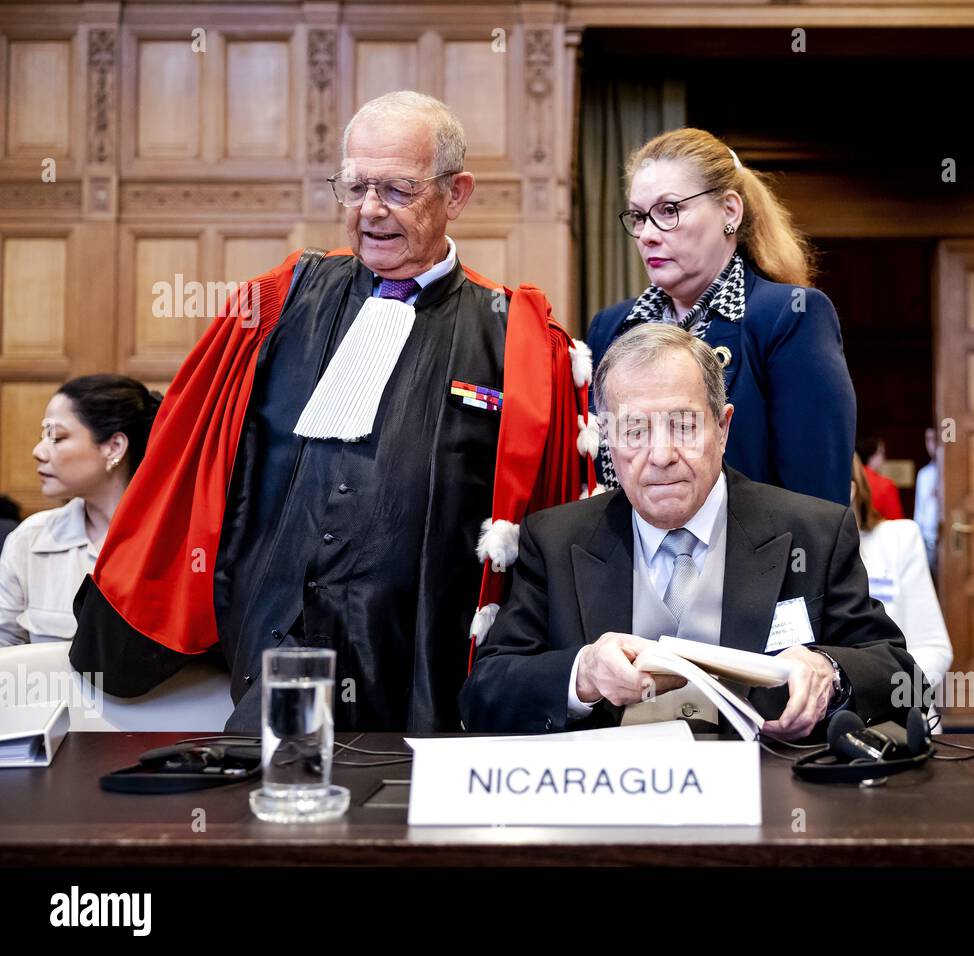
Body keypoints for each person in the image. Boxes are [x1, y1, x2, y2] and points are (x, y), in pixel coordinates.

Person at [70, 91, 590, 733]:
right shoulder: (278, 305)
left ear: (456, 194)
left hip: (428, 676)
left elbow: (547, 524)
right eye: (355, 186)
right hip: (276, 664)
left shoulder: (518, 339)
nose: (370, 211)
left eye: (398, 190)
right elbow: (193, 463)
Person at [460, 324, 920, 740]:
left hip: (767, 805)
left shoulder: (812, 532)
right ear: (606, 438)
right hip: (611, 807)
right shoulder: (556, 539)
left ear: (722, 428)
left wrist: (830, 671)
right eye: (634, 429)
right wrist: (583, 675)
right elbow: (486, 692)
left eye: (683, 426)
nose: (660, 455)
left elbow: (902, 678)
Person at [585, 128, 856, 506]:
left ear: (730, 211)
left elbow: (817, 505)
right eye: (638, 217)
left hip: (749, 561)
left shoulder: (790, 316)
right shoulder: (610, 328)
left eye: (668, 210)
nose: (646, 234)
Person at [0, 376, 160, 645]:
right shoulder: (29, 540)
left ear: (114, 447)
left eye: (56, 437)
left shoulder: (180, 544)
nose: (38, 451)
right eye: (43, 436)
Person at [851, 454, 952, 731]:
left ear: (851, 489)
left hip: (902, 720)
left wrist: (878, 694)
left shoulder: (899, 539)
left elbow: (935, 649)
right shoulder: (799, 553)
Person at [913, 427, 941, 578]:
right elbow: (919, 508)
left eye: (935, 439)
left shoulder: (952, 472)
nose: (931, 445)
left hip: (947, 537)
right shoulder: (924, 474)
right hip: (928, 539)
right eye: (928, 440)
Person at [860, 436, 903, 521]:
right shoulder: (886, 485)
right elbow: (896, 522)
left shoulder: (850, 481)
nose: (884, 459)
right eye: (882, 453)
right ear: (873, 454)